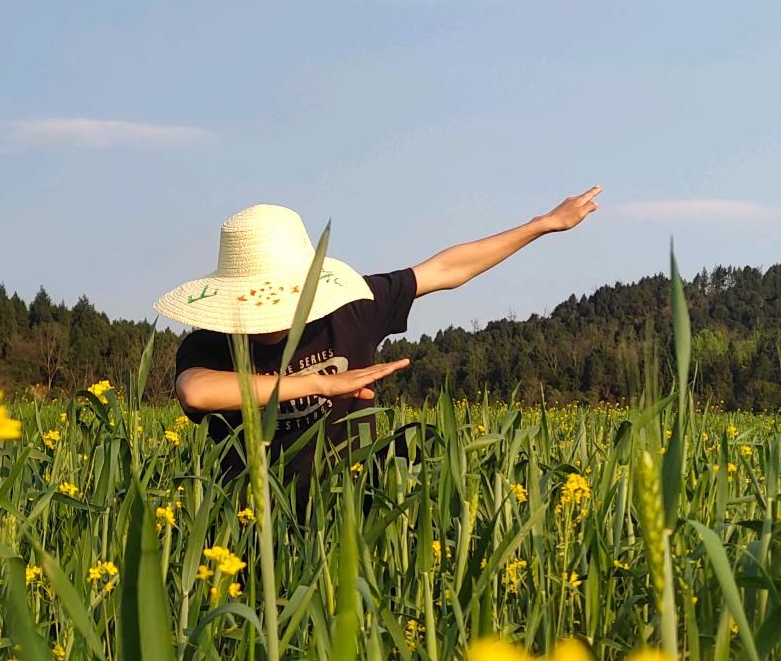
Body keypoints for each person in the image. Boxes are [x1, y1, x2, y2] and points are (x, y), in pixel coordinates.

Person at [153, 189, 601, 506]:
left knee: (423, 445)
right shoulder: (212, 343)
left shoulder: (351, 307)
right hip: (254, 519)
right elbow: (196, 391)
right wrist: (318, 385)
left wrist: (542, 225)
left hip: (351, 504)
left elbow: (447, 269)